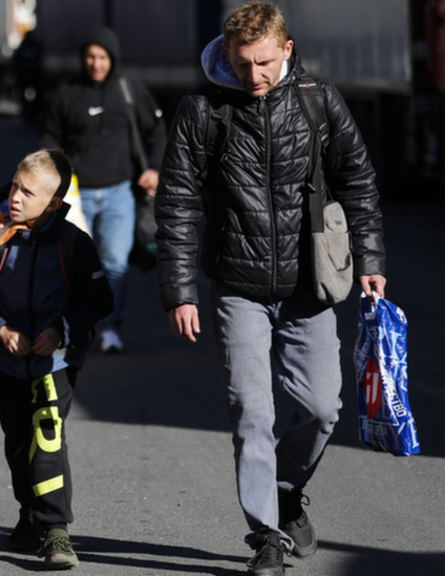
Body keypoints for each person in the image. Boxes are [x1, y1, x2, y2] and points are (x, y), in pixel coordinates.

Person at [154, 3, 387, 575]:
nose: (252, 76)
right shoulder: (201, 110)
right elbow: (178, 202)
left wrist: (370, 256)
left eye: (262, 63)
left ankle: (285, 492)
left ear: (286, 48)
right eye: (241, 64)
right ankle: (267, 536)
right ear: (226, 55)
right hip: (238, 285)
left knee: (323, 407)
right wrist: (180, 289)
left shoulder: (317, 100)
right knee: (252, 412)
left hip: (310, 284)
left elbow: (357, 180)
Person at [0, 150, 113, 571]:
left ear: (52, 203)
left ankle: (56, 531)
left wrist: (61, 332)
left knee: (46, 436)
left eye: (27, 193)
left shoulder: (74, 244)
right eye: (14, 185)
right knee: (17, 442)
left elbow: (98, 300)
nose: (14, 197)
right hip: (7, 358)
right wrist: (0, 330)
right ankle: (28, 513)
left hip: (56, 362)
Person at [39, 27, 166, 354]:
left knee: (114, 264)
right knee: (71, 264)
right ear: (83, 58)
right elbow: (48, 138)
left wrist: (153, 168)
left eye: (103, 57)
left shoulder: (129, 91)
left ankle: (111, 328)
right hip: (75, 197)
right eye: (90, 57)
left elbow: (156, 132)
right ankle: (71, 326)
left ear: (113, 59)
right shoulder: (67, 94)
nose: (96, 63)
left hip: (119, 194)